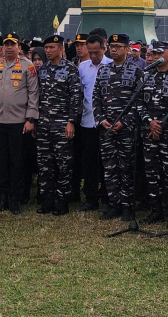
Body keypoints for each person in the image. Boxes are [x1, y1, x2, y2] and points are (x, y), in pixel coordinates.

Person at [0, 33, 39, 215]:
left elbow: (33, 94)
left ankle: (15, 199)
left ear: (18, 47)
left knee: (17, 162)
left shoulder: (27, 66)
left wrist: (30, 119)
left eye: (12, 45)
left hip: (18, 122)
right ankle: (1, 198)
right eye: (6, 45)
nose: (8, 48)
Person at [93, 32, 144, 223]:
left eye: (118, 47)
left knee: (126, 168)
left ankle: (128, 207)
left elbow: (140, 102)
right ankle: (114, 204)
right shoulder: (103, 71)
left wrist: (126, 122)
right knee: (110, 168)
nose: (114, 50)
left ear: (127, 49)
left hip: (126, 130)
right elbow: (96, 98)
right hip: (106, 128)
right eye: (112, 47)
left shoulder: (137, 71)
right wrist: (101, 120)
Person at [139, 41, 168, 228]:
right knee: (152, 173)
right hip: (149, 134)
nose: (156, 56)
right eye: (153, 52)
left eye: (160, 52)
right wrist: (149, 123)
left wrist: (161, 125)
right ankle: (155, 210)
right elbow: (139, 104)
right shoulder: (147, 76)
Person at [35, 34, 81, 216]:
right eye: (46, 48)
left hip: (62, 124)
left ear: (61, 49)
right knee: (44, 164)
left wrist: (71, 122)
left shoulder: (70, 69)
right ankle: (46, 201)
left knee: (64, 165)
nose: (47, 51)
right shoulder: (43, 69)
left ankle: (62, 202)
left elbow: (75, 98)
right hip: (44, 124)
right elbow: (38, 96)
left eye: (51, 48)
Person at [76, 31, 106, 212]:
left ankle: (107, 197)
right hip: (87, 122)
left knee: (106, 162)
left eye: (97, 52)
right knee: (89, 162)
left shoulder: (111, 65)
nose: (94, 56)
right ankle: (91, 198)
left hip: (106, 123)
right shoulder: (82, 67)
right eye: (91, 52)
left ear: (104, 48)